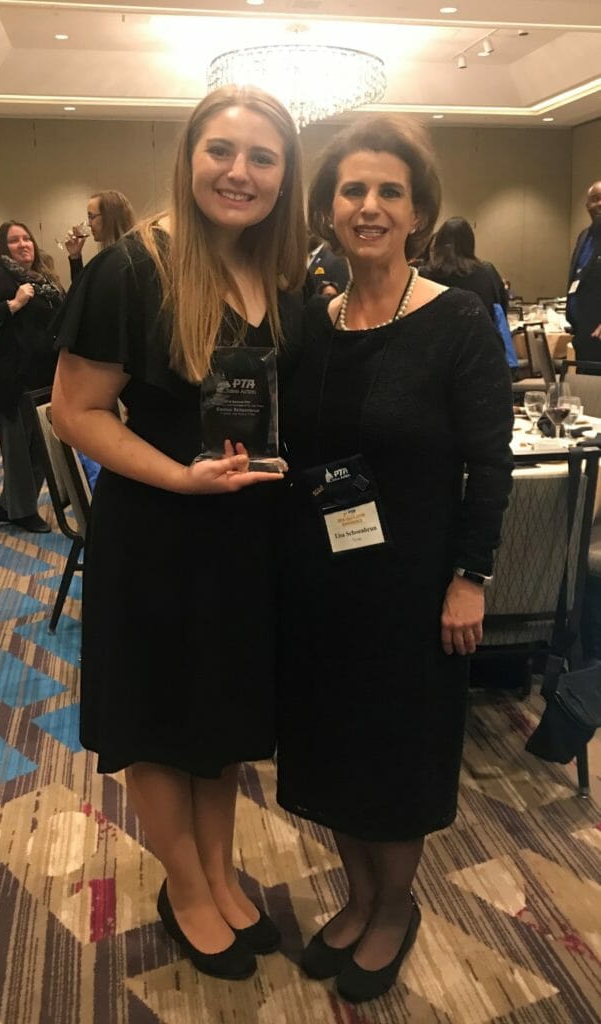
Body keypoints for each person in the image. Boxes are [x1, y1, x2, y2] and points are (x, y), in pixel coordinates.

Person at [51, 85, 306, 982]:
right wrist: (179, 477)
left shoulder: (276, 270)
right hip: (160, 533)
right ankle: (187, 885)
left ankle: (221, 871)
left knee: (221, 715)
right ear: (189, 156)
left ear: (285, 175)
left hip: (244, 539)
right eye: (222, 151)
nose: (239, 173)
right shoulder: (129, 268)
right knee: (161, 720)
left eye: (263, 157)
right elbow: (73, 410)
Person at [276, 116, 514, 1004]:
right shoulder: (315, 320)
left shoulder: (454, 322)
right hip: (321, 578)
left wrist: (471, 576)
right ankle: (359, 893)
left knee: (397, 755)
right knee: (332, 746)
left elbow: (491, 465)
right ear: (329, 209)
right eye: (351, 191)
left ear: (417, 212)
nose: (368, 207)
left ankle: (394, 908)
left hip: (416, 585)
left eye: (388, 192)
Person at [0, 222, 64, 532]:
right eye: (14, 240)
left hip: (44, 377)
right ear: (2, 246)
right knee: (20, 451)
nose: (23, 244)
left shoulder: (44, 276)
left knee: (42, 449)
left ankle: (8, 506)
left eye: (27, 238)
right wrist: (13, 304)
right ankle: (21, 511)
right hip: (12, 379)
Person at [420, 216, 508, 320]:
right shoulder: (487, 271)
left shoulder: (426, 274)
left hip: (435, 334)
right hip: (480, 333)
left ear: (439, 242)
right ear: (470, 243)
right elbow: (501, 306)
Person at [64, 190, 136, 281]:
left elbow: (85, 293)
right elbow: (83, 291)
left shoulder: (122, 259)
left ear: (109, 217)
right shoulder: (118, 253)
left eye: (91, 217)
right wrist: (75, 256)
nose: (89, 224)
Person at [566, 180, 601, 366]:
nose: (600, 204)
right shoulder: (584, 236)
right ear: (587, 205)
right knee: (584, 390)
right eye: (595, 199)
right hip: (582, 332)